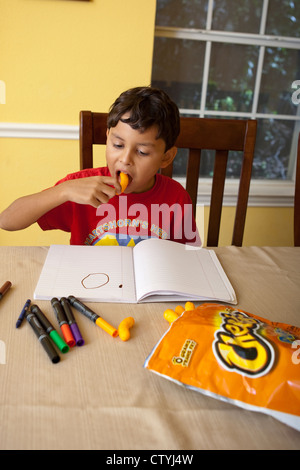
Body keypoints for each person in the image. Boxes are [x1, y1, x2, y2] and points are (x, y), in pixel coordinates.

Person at [0, 86, 200, 247]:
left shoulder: (176, 198)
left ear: (166, 157)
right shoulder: (79, 187)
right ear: (107, 138)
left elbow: (186, 256)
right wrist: (63, 191)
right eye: (118, 145)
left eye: (142, 152)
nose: (125, 159)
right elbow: (6, 220)